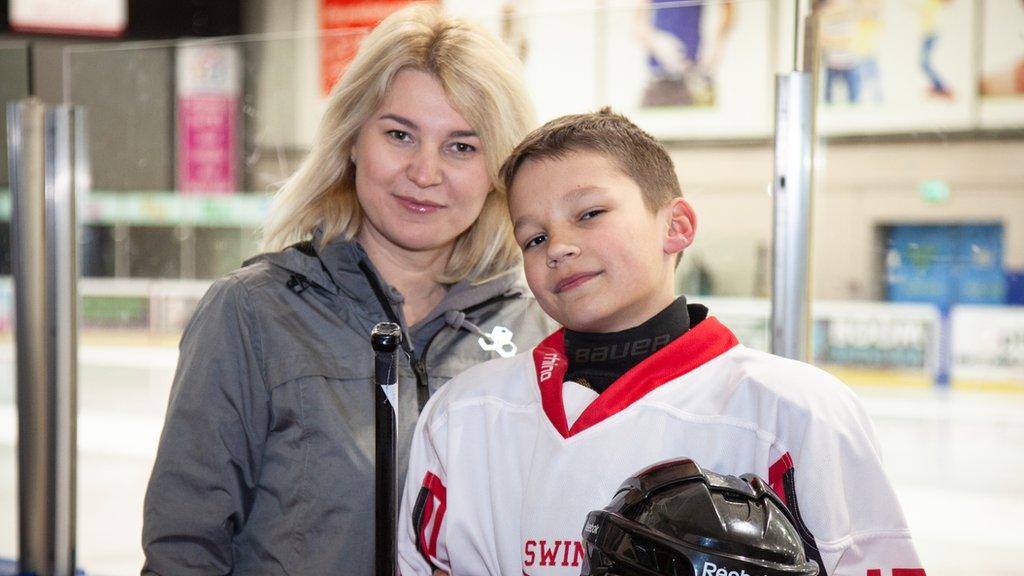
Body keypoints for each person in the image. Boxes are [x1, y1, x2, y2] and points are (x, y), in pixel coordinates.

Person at [397, 109, 925, 576]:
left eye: (589, 214)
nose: (558, 247)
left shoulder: (798, 412)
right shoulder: (462, 413)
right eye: (533, 237)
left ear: (676, 226)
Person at [141, 5, 552, 575]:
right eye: (400, 134)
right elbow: (184, 550)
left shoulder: (542, 331)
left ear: (497, 170)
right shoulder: (252, 314)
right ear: (353, 138)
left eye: (462, 146)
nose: (425, 172)